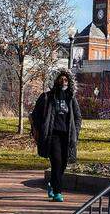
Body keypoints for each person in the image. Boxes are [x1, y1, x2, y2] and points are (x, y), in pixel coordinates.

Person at [30, 66, 82, 202]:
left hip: (67, 135)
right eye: (61, 79)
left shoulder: (71, 98)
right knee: (57, 161)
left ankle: (52, 185)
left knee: (63, 162)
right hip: (52, 135)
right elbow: (35, 115)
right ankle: (58, 192)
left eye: (66, 80)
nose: (63, 82)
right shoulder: (47, 97)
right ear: (56, 81)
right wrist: (41, 129)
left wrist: (75, 131)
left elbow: (77, 117)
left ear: (69, 82)